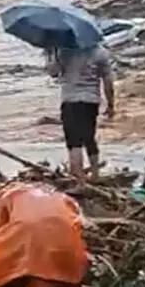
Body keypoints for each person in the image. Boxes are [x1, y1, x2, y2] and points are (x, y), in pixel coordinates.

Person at [0, 183, 88, 287]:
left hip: (26, 261)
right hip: (67, 264)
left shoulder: (10, 196)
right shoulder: (65, 199)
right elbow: (78, 227)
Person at [46, 45, 115, 192]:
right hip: (91, 100)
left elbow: (53, 73)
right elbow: (108, 80)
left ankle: (80, 183)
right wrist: (110, 104)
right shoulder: (100, 51)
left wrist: (52, 53)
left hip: (71, 101)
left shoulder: (64, 50)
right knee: (89, 138)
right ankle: (95, 175)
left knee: (74, 143)